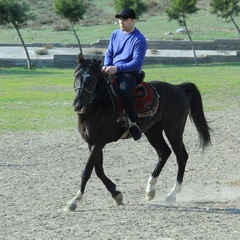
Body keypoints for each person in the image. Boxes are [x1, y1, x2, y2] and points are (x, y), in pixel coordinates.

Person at [103, 7, 147, 141]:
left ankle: (133, 123)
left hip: (129, 73)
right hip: (112, 69)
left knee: (125, 90)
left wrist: (116, 69)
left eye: (125, 19)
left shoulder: (139, 39)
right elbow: (109, 53)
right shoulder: (115, 34)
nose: (121, 22)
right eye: (120, 19)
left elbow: (136, 64)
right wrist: (106, 66)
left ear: (133, 21)